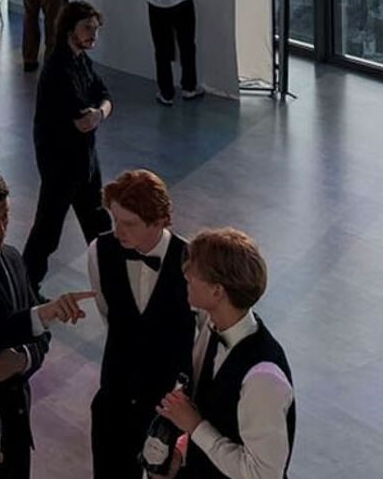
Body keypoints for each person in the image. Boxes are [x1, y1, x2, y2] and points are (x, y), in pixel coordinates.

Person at [0, 167, 93, 479]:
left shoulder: (11, 258)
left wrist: (22, 360)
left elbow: (40, 333)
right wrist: (46, 314)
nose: (0, 228)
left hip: (17, 431)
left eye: (5, 216)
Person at [156, 227, 295, 479]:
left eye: (193, 272)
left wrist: (195, 426)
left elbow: (263, 475)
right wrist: (181, 450)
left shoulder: (263, 378)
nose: (185, 273)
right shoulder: (211, 328)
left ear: (217, 291)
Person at [85, 169, 194, 479]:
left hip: (169, 410)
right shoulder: (99, 252)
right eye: (115, 219)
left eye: (129, 223)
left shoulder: (191, 261)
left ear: (159, 222)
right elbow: (109, 315)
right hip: (114, 403)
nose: (119, 231)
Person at [22, 0, 112, 294]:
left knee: (97, 224)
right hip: (61, 163)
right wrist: (100, 112)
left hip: (84, 160)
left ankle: (115, 283)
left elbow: (104, 96)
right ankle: (25, 288)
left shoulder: (81, 61)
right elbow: (81, 120)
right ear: (69, 29)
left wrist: (100, 112)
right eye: (87, 28)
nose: (93, 35)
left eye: (96, 29)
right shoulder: (58, 69)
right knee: (48, 232)